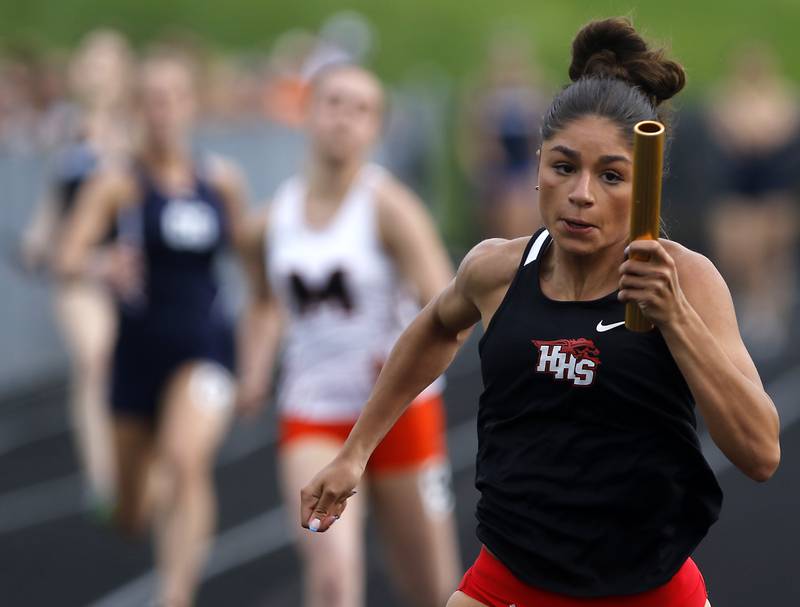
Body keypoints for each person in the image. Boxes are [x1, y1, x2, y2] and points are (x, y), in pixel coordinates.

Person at [300, 18, 780, 607]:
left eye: (610, 176)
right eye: (562, 166)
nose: (581, 194)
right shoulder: (496, 270)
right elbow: (432, 328)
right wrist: (355, 451)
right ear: (537, 167)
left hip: (648, 590)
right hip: (510, 583)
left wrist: (676, 318)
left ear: (645, 185)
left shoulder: (687, 282)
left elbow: (760, 454)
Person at [57, 52, 272, 607]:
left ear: (191, 105)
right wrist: (103, 265)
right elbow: (68, 257)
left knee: (183, 460)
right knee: (131, 512)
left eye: (174, 99)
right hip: (136, 355)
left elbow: (256, 276)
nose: (164, 112)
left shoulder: (221, 181)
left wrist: (254, 358)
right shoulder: (117, 185)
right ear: (136, 110)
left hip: (204, 344)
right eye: (152, 101)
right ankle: (136, 500)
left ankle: (174, 595)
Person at [245, 63, 462, 607]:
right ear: (308, 112)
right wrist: (252, 371)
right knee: (333, 575)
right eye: (334, 103)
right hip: (314, 412)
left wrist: (398, 361)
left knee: (433, 588)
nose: (344, 119)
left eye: (361, 109)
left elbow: (449, 303)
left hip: (397, 415)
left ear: (376, 128)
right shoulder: (270, 222)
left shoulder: (390, 208)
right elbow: (263, 303)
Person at [21, 28, 134, 512]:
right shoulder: (65, 130)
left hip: (125, 268)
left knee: (132, 368)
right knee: (95, 358)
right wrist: (37, 236)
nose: (95, 73)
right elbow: (53, 201)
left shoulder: (137, 129)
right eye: (88, 62)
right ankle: (102, 477)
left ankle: (136, 461)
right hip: (78, 271)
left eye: (105, 64)